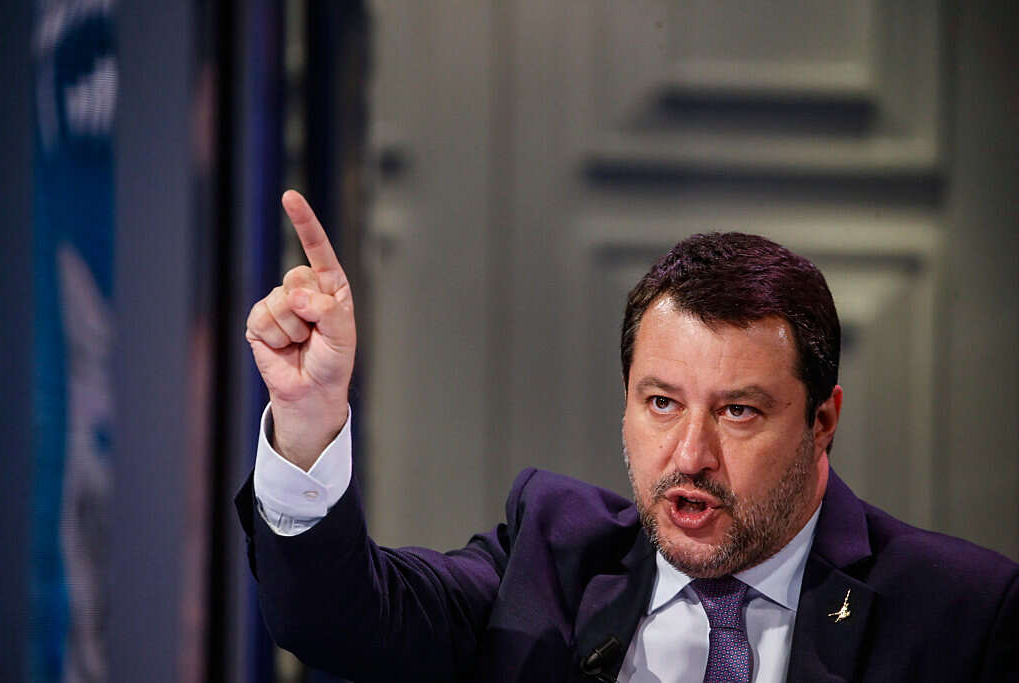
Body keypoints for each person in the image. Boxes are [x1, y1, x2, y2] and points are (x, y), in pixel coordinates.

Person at [236, 190, 1018, 682]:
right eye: (662, 402)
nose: (691, 456)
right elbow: (336, 619)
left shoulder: (962, 613)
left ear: (823, 422)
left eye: (738, 412)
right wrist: (308, 421)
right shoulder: (552, 558)